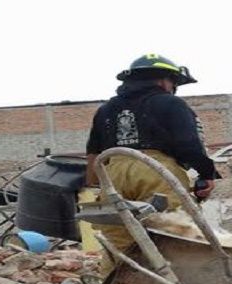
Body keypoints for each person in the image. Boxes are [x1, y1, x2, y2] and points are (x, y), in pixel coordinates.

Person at [85, 54, 218, 251]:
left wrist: (97, 185)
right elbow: (189, 144)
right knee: (176, 233)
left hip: (113, 174)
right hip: (155, 171)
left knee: (119, 242)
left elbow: (93, 154)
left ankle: (116, 279)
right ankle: (177, 280)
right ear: (165, 80)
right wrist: (207, 174)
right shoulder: (171, 103)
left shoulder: (105, 110)